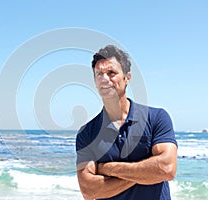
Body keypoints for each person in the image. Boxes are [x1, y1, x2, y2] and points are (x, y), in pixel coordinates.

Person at [76, 45, 178, 200]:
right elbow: (89, 191)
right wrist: (146, 173)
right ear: (95, 81)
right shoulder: (87, 133)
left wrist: (108, 169)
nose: (105, 79)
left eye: (111, 73)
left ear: (127, 78)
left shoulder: (157, 118)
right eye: (99, 74)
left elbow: (166, 168)